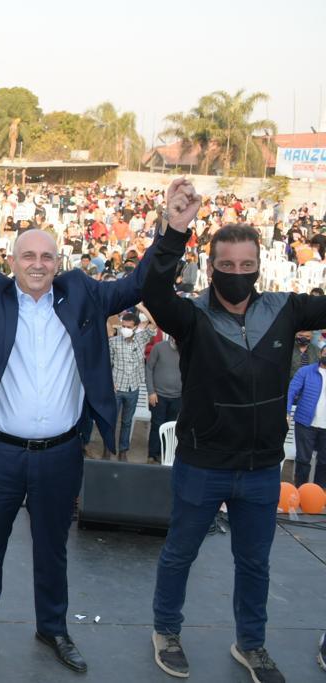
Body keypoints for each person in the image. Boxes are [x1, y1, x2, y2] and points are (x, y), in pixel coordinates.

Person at [0, 185, 160, 675]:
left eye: (47, 256)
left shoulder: (84, 294)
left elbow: (139, 283)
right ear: (12, 260)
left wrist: (171, 228)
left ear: (58, 260)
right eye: (28, 255)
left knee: (52, 548)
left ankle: (54, 628)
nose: (39, 264)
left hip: (60, 455)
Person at [143, 178, 326, 683]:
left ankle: (251, 645)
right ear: (211, 267)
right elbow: (153, 290)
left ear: (259, 266)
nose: (238, 274)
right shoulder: (191, 317)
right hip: (202, 464)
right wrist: (175, 227)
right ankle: (166, 631)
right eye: (227, 266)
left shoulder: (285, 311)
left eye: (247, 266)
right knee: (179, 553)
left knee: (255, 565)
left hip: (262, 468)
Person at [107, 310, 155, 459]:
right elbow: (108, 364)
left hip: (133, 388)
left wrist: (143, 307)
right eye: (123, 326)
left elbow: (154, 324)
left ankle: (123, 451)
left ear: (135, 327)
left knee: (127, 422)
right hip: (116, 388)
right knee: (110, 421)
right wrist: (110, 383)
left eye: (128, 327)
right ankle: (107, 450)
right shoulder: (114, 342)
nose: (125, 329)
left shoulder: (141, 339)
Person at [287, 345, 326, 487]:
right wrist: (286, 412)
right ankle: (300, 490)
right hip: (305, 423)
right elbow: (291, 391)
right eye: (325, 352)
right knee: (303, 459)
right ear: (320, 353)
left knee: (324, 461)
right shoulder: (306, 371)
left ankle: (320, 493)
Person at [146, 336, 183, 464]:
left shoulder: (187, 350)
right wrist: (151, 392)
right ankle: (152, 454)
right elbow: (149, 368)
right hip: (158, 396)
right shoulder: (159, 347)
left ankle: (165, 454)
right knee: (157, 425)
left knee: (170, 427)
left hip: (178, 397)